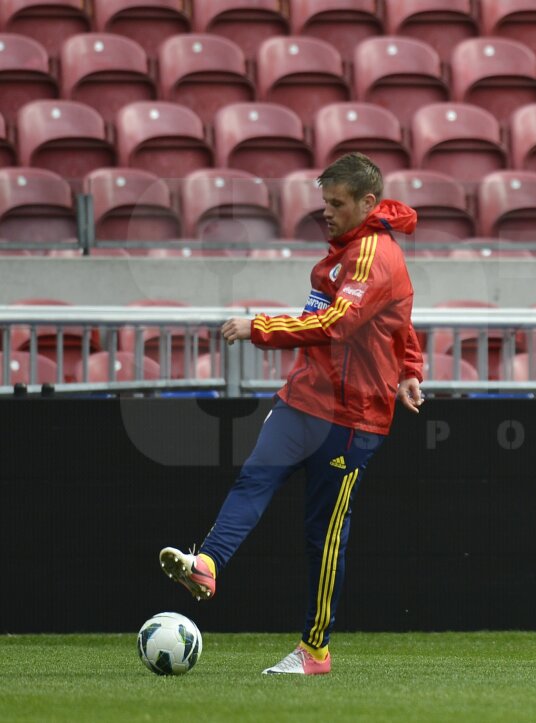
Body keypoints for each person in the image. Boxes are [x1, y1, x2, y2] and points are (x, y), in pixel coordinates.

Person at [159, 152, 425, 675]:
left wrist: (259, 327)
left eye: (336, 203)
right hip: (304, 397)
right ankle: (208, 564)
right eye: (324, 202)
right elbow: (397, 320)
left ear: (367, 203)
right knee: (252, 481)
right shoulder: (346, 251)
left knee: (322, 538)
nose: (325, 212)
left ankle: (315, 650)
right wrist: (412, 366)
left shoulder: (374, 254)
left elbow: (343, 322)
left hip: (352, 417)